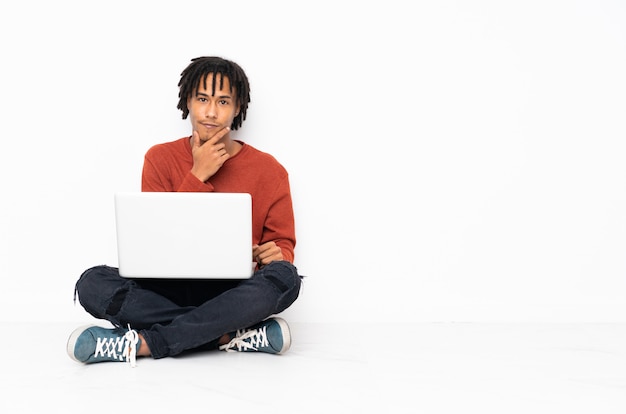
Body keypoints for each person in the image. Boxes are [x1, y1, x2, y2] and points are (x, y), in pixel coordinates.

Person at [67, 56, 303, 367]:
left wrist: (277, 254)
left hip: (232, 292)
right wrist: (198, 175)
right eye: (202, 99)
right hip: (167, 290)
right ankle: (226, 335)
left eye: (222, 101)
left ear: (237, 108)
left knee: (286, 278)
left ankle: (147, 343)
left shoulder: (269, 171)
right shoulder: (160, 158)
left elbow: (284, 246)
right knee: (92, 283)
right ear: (188, 101)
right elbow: (153, 243)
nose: (210, 112)